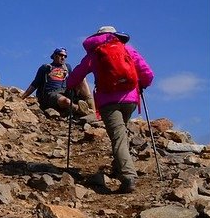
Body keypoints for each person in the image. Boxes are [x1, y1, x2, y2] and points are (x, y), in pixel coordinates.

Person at [66, 26, 154, 193]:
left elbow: (77, 74)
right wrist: (143, 84)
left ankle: (128, 176)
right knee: (122, 133)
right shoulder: (127, 49)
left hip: (108, 102)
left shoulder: (94, 53)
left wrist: (69, 85)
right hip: (130, 100)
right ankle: (118, 167)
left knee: (118, 137)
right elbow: (147, 73)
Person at [20, 48, 94, 116]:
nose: (63, 58)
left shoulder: (67, 67)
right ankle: (80, 110)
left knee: (82, 78)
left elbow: (73, 80)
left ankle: (92, 109)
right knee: (66, 101)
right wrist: (22, 97)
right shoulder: (45, 68)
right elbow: (35, 84)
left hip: (66, 90)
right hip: (51, 93)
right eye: (61, 55)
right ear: (55, 56)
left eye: (65, 56)